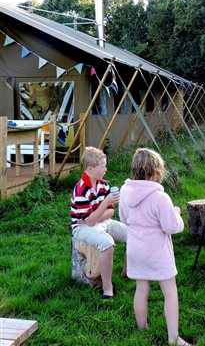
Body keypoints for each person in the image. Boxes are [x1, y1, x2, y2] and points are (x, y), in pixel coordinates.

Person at [119, 148, 191, 346]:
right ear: (157, 171)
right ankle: (173, 338)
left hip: (135, 250)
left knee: (141, 288)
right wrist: (177, 214)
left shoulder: (125, 192)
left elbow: (124, 219)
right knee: (169, 291)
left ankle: (142, 329)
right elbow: (172, 227)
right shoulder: (161, 197)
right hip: (157, 252)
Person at [70, 146, 127, 299]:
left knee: (132, 233)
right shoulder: (81, 190)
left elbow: (110, 212)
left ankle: (126, 272)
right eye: (103, 167)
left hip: (101, 222)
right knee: (107, 244)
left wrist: (96, 215)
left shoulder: (104, 184)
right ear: (90, 168)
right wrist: (105, 203)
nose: (106, 170)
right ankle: (107, 288)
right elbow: (88, 222)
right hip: (81, 228)